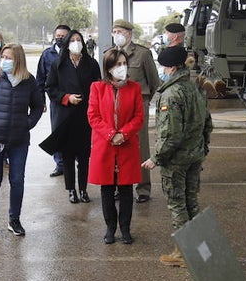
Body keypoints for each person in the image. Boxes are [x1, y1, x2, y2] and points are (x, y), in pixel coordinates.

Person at [142, 43, 212, 267]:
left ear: (171, 68)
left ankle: (182, 254)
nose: (162, 71)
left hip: (177, 160)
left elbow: (171, 134)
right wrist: (203, 148)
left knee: (177, 204)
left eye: (163, 67)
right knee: (192, 201)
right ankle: (200, 248)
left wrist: (156, 158)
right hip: (195, 155)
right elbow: (207, 124)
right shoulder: (195, 88)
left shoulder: (171, 94)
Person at [0, 42, 42, 237]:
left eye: (9, 58)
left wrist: (28, 123)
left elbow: (38, 106)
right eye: (3, 57)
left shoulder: (28, 81)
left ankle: (14, 220)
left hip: (19, 140)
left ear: (18, 60)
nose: (4, 61)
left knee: (17, 180)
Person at [88, 48, 144, 244]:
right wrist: (111, 134)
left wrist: (124, 134)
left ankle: (125, 228)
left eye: (124, 63)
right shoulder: (97, 87)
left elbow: (138, 117)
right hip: (105, 144)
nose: (122, 67)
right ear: (109, 68)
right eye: (118, 64)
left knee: (126, 189)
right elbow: (93, 116)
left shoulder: (134, 88)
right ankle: (110, 228)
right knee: (107, 189)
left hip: (127, 145)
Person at [108, 19, 161, 203]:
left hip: (138, 105)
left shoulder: (143, 53)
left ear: (129, 34)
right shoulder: (110, 54)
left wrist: (143, 101)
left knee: (140, 146)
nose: (116, 35)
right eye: (114, 31)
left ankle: (143, 188)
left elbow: (154, 82)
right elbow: (105, 81)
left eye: (120, 31)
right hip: (116, 105)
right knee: (118, 144)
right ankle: (120, 186)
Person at [46, 29, 101, 204]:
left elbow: (98, 87)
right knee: (68, 156)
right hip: (65, 116)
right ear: (67, 44)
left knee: (84, 156)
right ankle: (71, 189)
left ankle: (83, 189)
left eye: (78, 40)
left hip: (85, 116)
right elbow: (50, 88)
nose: (76, 43)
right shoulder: (58, 64)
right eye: (72, 40)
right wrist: (66, 98)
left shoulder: (91, 64)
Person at [37, 24, 71, 177]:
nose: (60, 38)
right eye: (58, 36)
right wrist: (41, 101)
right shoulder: (47, 55)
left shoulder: (76, 53)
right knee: (57, 132)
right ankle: (60, 164)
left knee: (76, 131)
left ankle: (78, 160)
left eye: (63, 36)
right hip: (56, 101)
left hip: (75, 100)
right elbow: (40, 79)